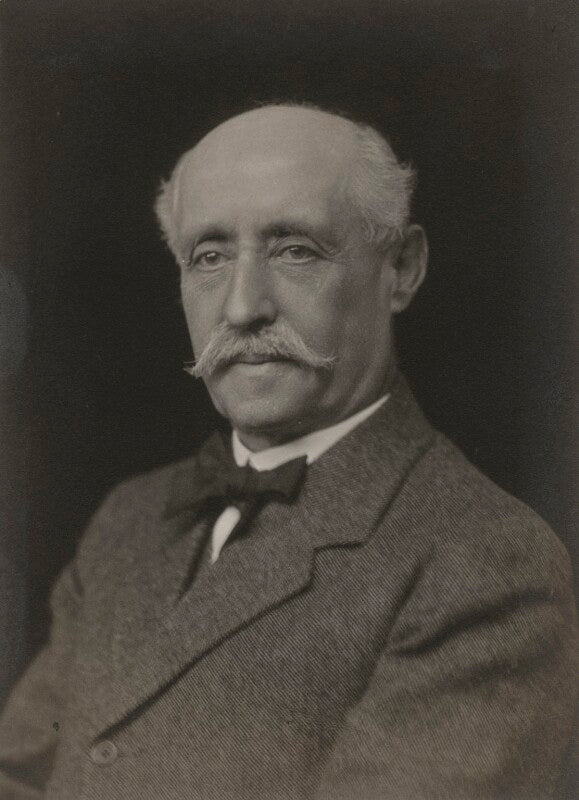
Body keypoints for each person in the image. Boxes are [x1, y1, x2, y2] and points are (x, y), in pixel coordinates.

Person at [0, 104, 577, 800]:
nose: (242, 308)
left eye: (295, 250)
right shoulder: (129, 518)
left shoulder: (487, 562)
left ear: (401, 268)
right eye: (209, 257)